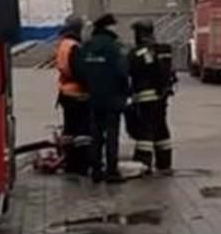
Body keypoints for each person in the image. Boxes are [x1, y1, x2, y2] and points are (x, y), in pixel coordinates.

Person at [75, 13, 129, 183]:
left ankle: (96, 170)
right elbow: (122, 72)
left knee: (96, 134)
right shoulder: (115, 47)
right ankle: (112, 171)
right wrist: (126, 92)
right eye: (114, 25)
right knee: (112, 134)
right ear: (108, 27)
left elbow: (79, 70)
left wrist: (89, 86)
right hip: (113, 97)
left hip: (94, 97)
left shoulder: (87, 46)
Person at [127, 20, 177, 174]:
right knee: (161, 129)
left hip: (145, 98)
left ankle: (143, 163)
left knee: (145, 132)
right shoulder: (162, 50)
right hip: (162, 97)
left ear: (140, 34)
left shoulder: (138, 53)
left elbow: (130, 73)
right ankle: (164, 163)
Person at [54, 15, 92, 175]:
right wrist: (91, 85)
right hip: (78, 94)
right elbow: (80, 71)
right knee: (82, 132)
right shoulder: (74, 47)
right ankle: (80, 165)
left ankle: (70, 162)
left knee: (69, 131)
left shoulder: (63, 44)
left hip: (65, 93)